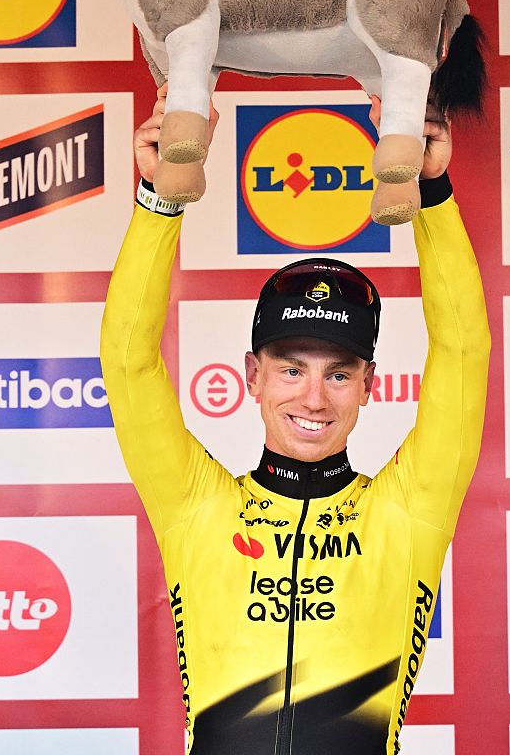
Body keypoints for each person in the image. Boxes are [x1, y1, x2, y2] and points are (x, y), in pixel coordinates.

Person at [101, 85, 490, 755]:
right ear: (252, 377)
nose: (313, 398)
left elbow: (462, 351)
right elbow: (127, 361)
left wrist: (430, 192)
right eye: (291, 370)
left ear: (368, 386)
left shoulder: (407, 511)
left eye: (338, 373)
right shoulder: (195, 505)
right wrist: (159, 201)